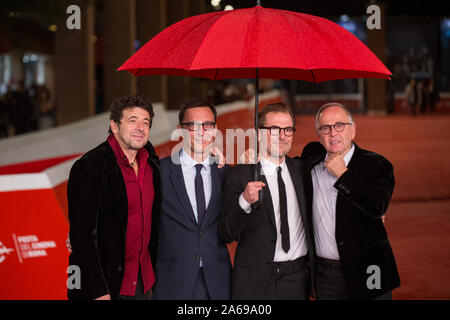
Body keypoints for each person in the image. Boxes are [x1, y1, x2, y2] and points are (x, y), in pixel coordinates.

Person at [301, 102, 400, 300]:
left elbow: (376, 206)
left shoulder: (377, 165)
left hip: (370, 267)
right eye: (325, 128)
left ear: (353, 130)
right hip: (326, 275)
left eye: (340, 126)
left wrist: (343, 175)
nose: (333, 133)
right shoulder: (311, 160)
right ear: (319, 134)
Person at [67, 95, 161, 300]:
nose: (141, 127)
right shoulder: (90, 166)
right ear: (115, 126)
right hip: (107, 287)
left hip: (143, 282)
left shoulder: (151, 161)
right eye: (132, 120)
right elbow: (82, 237)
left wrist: (212, 155)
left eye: (146, 122)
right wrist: (98, 291)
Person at [219, 103, 315, 300]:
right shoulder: (239, 175)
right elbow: (226, 233)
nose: (282, 136)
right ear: (259, 133)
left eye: (288, 130)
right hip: (255, 281)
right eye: (274, 130)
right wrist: (244, 202)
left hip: (297, 278)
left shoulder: (301, 169)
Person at [152, 99, 231, 300]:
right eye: (193, 126)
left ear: (215, 129)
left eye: (208, 125)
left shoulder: (226, 173)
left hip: (217, 281)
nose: (202, 131)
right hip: (173, 281)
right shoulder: (159, 172)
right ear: (180, 130)